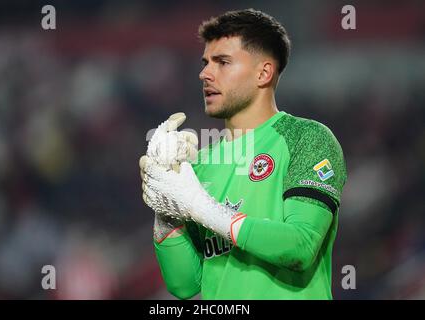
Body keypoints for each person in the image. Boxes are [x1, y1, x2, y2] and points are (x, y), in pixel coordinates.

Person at [140, 8, 347, 299]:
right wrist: (166, 206)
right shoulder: (199, 166)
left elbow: (301, 246)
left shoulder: (306, 138)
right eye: (205, 63)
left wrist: (201, 208)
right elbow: (184, 285)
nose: (205, 73)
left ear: (263, 73)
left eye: (222, 62)